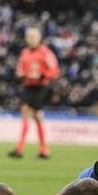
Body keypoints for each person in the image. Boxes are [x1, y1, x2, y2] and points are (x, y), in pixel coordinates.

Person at [9, 28, 60, 159]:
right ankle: (44, 150)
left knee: (26, 111)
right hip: (28, 86)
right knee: (37, 117)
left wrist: (42, 75)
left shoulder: (46, 53)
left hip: (41, 87)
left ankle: (20, 149)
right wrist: (21, 74)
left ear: (39, 38)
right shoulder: (25, 52)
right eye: (29, 37)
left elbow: (55, 71)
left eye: (33, 37)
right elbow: (20, 68)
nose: (30, 39)